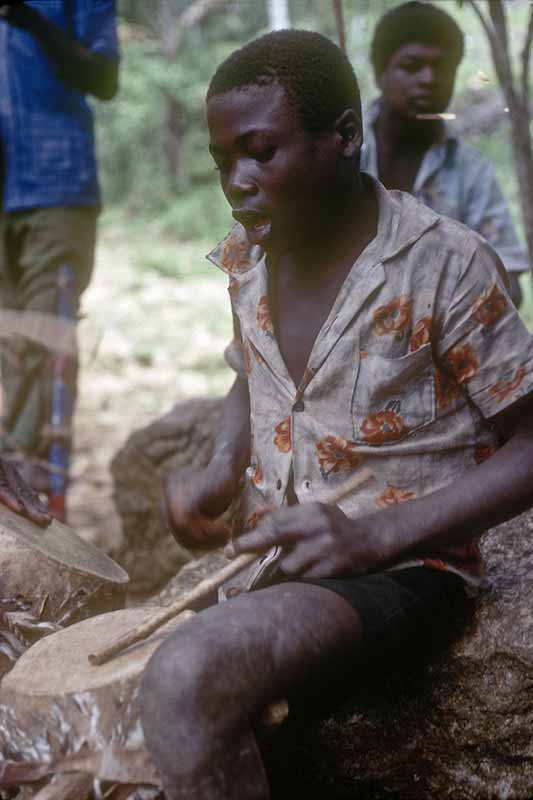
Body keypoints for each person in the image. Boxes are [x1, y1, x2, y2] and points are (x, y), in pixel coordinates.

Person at [139, 30, 533, 800]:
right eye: (224, 162)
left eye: (260, 151)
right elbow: (255, 374)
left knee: (184, 677)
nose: (238, 181)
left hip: (402, 568)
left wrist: (373, 534)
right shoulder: (249, 254)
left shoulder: (444, 264)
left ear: (344, 137)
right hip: (278, 559)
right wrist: (224, 463)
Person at [0, 0, 119, 509]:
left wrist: (29, 19)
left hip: (56, 189)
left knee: (43, 343)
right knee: (8, 352)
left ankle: (41, 516)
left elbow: (103, 78)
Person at [360, 0, 528, 307]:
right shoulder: (342, 153)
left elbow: (509, 287)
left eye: (442, 67)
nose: (428, 79)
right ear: (380, 73)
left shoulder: (470, 171)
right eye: (411, 66)